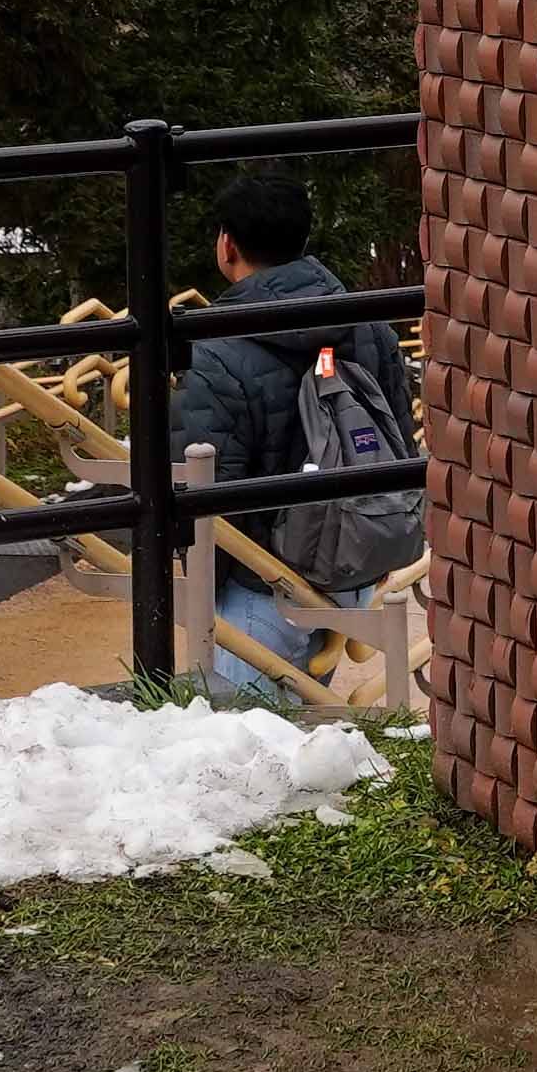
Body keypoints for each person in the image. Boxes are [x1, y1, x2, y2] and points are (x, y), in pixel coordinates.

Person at [168, 166, 419, 703]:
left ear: (227, 245)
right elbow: (399, 441)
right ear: (303, 239)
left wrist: (199, 589)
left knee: (243, 737)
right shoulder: (369, 324)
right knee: (306, 723)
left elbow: (211, 489)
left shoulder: (216, 348)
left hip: (262, 587)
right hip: (352, 565)